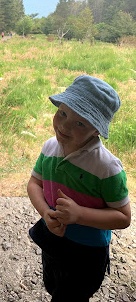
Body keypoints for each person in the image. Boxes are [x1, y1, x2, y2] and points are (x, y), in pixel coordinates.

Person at [27, 75, 131, 302]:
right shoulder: (50, 147)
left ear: (96, 130)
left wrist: (79, 214)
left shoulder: (106, 167)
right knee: (53, 284)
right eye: (62, 113)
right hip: (53, 236)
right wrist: (46, 213)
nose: (64, 125)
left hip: (87, 251)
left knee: (73, 295)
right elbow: (35, 183)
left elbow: (123, 218)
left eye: (80, 122)